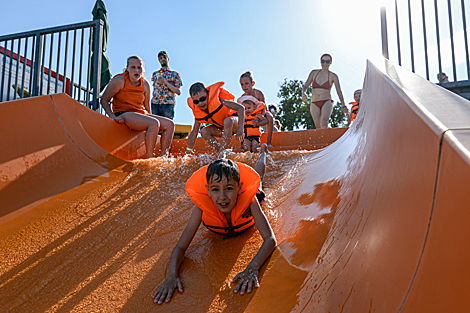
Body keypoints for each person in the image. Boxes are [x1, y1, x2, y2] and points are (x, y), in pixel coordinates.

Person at [153, 144, 277, 304]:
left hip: (250, 197)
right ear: (208, 190)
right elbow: (180, 248)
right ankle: (223, 157)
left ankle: (263, 153)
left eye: (229, 188)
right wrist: (172, 276)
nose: (223, 196)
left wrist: (252, 268)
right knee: (221, 174)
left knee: (259, 177)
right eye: (216, 190)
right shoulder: (201, 209)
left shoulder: (251, 201)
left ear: (239, 188)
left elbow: (270, 239)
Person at [101, 56, 175, 158]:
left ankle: (163, 158)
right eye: (133, 67)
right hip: (125, 113)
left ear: (143, 69)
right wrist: (113, 116)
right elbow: (104, 100)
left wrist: (147, 123)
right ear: (127, 68)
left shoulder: (145, 84)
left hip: (141, 114)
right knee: (154, 123)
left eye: (139, 68)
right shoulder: (120, 80)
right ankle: (149, 158)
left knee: (170, 124)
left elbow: (147, 108)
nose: (136, 70)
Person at [186, 82, 245, 156]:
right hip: (222, 130)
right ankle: (222, 152)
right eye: (196, 101)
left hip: (234, 125)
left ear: (208, 94)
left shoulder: (220, 100)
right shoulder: (198, 112)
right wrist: (188, 151)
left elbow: (241, 108)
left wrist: (240, 128)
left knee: (227, 121)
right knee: (204, 131)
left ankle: (222, 150)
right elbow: (194, 133)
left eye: (203, 99)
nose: (200, 103)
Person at [302, 53, 348, 129]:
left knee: (324, 123)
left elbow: (339, 91)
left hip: (326, 101)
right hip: (314, 102)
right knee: (318, 127)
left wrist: (343, 106)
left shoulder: (333, 76)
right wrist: (304, 93)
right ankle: (320, 141)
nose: (325, 63)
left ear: (330, 62)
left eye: (327, 61)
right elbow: (305, 86)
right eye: (323, 61)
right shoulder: (314, 73)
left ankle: (327, 140)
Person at [240, 71, 275, 147]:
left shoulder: (258, 93)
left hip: (260, 113)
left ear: (252, 83)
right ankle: (243, 143)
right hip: (249, 115)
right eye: (242, 84)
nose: (244, 86)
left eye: (246, 84)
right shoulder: (243, 97)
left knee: (270, 118)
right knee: (241, 120)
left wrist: (259, 119)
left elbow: (263, 107)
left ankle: (269, 142)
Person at [151, 51, 183, 120]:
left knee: (167, 127)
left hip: (167, 104)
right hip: (155, 103)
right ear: (159, 60)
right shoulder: (155, 74)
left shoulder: (174, 74)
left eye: (164, 57)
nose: (163, 59)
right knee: (154, 126)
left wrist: (165, 82)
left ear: (168, 59)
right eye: (161, 58)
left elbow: (178, 91)